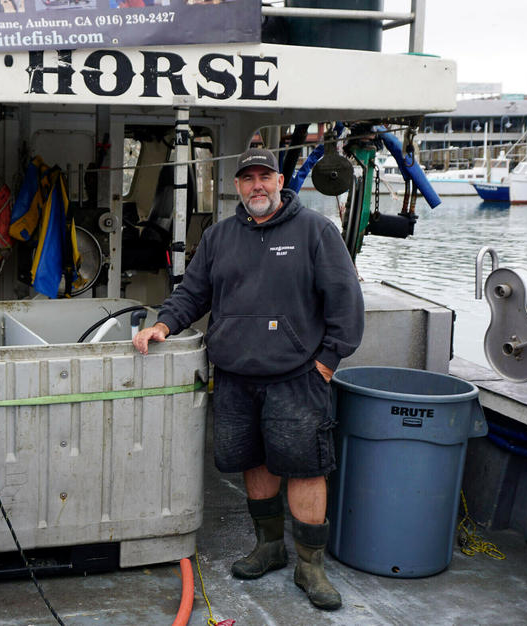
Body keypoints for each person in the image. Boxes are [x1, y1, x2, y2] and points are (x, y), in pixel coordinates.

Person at [133, 147, 363, 611]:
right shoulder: (220, 237)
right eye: (247, 178)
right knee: (253, 460)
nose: (257, 185)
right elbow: (193, 292)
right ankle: (269, 547)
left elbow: (346, 303)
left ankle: (310, 565)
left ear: (281, 181)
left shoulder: (316, 231)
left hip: (298, 376)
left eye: (265, 176)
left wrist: (327, 362)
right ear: (237, 186)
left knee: (305, 468)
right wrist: (163, 324)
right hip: (236, 376)